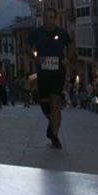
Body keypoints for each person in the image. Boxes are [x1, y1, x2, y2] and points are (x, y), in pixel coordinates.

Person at [27, 8, 72, 149]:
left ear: (55, 19)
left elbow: (71, 46)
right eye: (47, 17)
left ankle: (55, 136)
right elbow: (27, 47)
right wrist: (35, 58)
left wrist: (68, 59)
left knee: (55, 102)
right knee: (44, 103)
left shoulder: (61, 33)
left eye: (52, 17)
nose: (49, 20)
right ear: (43, 18)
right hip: (43, 73)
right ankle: (52, 124)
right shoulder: (37, 33)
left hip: (59, 72)